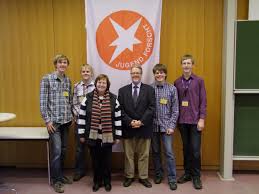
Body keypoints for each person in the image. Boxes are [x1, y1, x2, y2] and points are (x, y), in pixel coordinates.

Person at [77, 74, 122, 192]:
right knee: (95, 160)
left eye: (104, 83)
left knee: (107, 161)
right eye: (99, 82)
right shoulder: (88, 97)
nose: (101, 85)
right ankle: (97, 181)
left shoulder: (113, 99)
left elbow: (117, 118)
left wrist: (117, 135)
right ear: (96, 84)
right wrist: (81, 134)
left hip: (108, 136)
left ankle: (107, 181)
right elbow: (81, 116)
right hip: (93, 136)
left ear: (107, 86)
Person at [40, 54, 73, 193]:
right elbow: (42, 103)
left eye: (65, 62)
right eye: (60, 62)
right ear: (56, 64)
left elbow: (69, 100)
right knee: (57, 152)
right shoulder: (46, 79)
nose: (63, 65)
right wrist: (47, 121)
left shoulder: (68, 80)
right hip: (54, 123)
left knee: (64, 150)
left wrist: (71, 116)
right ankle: (56, 181)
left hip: (66, 121)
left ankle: (60, 175)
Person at [118, 65, 155, 188]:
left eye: (137, 73)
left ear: (141, 74)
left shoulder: (149, 90)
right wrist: (130, 121)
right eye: (133, 73)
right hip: (128, 128)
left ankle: (143, 177)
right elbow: (120, 110)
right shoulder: (122, 91)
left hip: (144, 127)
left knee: (144, 154)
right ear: (130, 74)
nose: (135, 75)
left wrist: (141, 121)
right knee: (129, 154)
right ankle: (129, 176)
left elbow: (152, 108)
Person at [174, 54, 207, 190]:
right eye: (184, 63)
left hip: (195, 121)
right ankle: (187, 173)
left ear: (193, 65)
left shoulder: (199, 81)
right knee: (186, 149)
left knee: (195, 151)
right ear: (181, 65)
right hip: (182, 121)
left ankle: (196, 176)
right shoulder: (176, 82)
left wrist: (202, 118)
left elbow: (203, 101)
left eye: (189, 63)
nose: (186, 66)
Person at [151, 64, 179, 190]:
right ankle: (158, 174)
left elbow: (176, 110)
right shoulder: (149, 89)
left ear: (165, 74)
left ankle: (172, 178)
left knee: (169, 153)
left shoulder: (172, 89)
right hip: (153, 127)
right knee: (156, 152)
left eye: (161, 72)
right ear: (154, 74)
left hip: (167, 127)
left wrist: (172, 126)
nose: (159, 75)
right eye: (157, 73)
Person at [72, 64, 95, 181]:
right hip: (79, 121)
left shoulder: (96, 86)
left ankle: (96, 170)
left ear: (91, 73)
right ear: (81, 73)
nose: (86, 73)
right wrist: (80, 115)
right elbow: (74, 103)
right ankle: (79, 171)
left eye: (88, 71)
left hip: (93, 122)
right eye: (83, 71)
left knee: (94, 147)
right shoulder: (76, 86)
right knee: (79, 148)